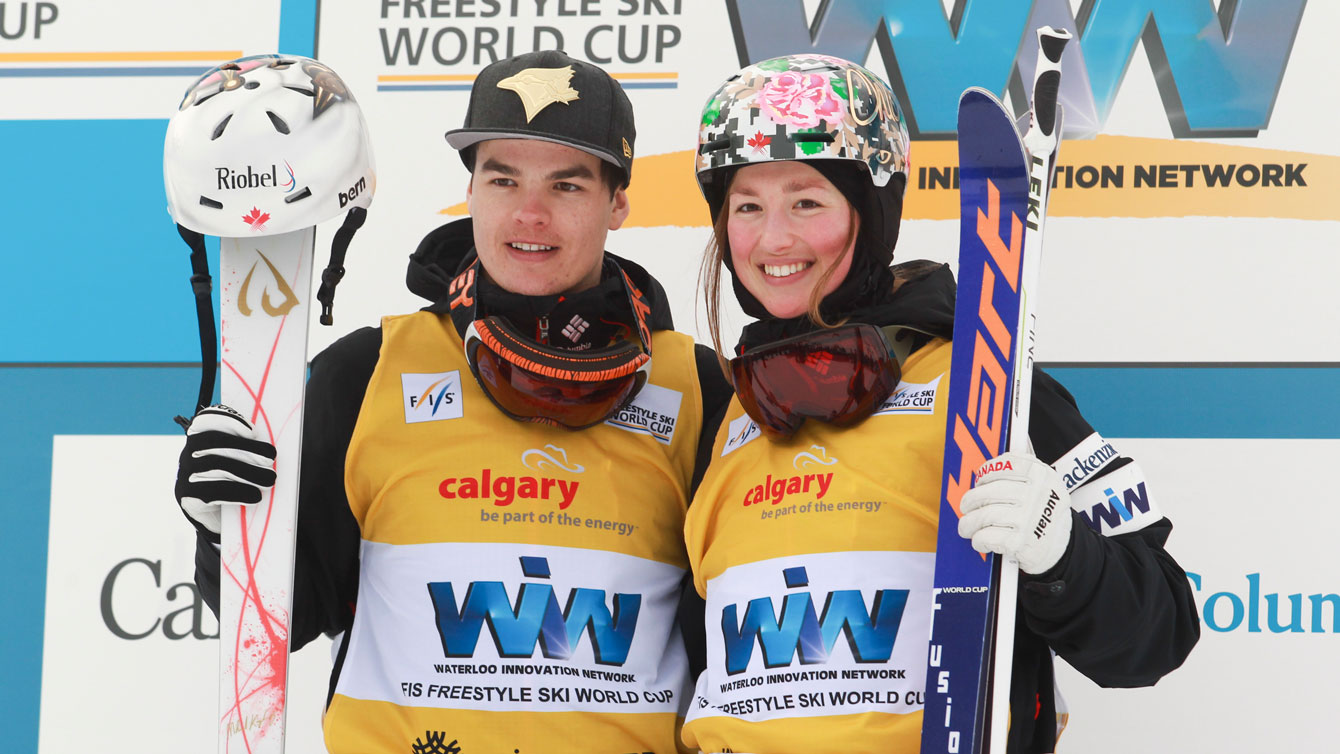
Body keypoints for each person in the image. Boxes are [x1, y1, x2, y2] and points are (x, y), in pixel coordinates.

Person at [173, 50, 729, 753]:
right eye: (502, 179)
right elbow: (281, 622)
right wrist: (225, 531)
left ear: (618, 202)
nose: (529, 213)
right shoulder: (367, 372)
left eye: (567, 185)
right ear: (470, 191)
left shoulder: (698, 389)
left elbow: (741, 647)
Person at [680, 54, 1200, 753]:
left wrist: (1060, 550)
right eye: (747, 206)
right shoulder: (729, 413)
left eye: (806, 201)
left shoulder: (985, 379)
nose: (773, 239)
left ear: (871, 209)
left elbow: (1156, 631)